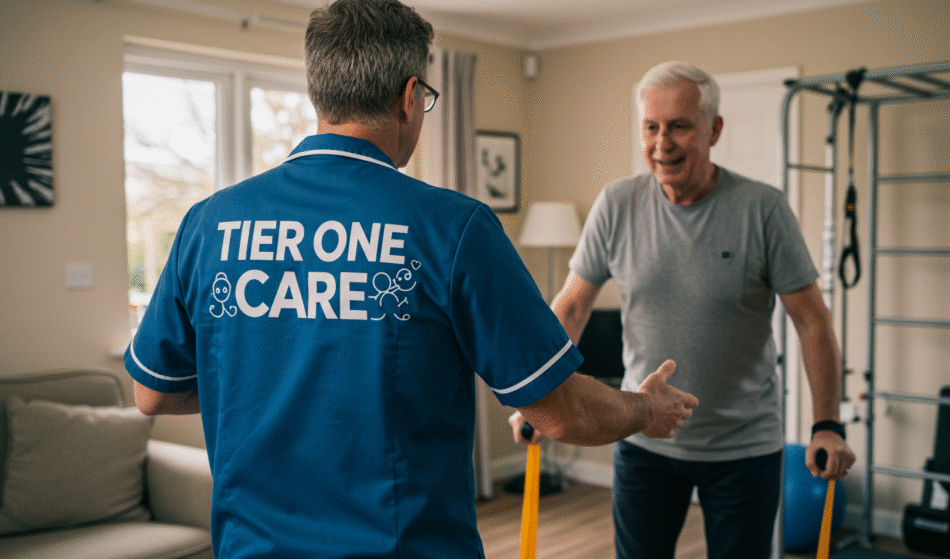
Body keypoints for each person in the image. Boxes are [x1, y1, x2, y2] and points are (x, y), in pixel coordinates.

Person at [124, 2, 698, 558]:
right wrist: (645, 410)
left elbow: (151, 392)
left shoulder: (209, 223)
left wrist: (270, 377)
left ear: (318, 95)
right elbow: (562, 411)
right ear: (409, 96)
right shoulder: (452, 227)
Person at [509, 61, 856, 559]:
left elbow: (811, 321)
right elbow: (571, 305)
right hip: (642, 436)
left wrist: (828, 424)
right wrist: (541, 397)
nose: (661, 142)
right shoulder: (616, 204)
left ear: (713, 130)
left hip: (744, 447)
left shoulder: (764, 210)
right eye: (650, 126)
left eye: (679, 126)